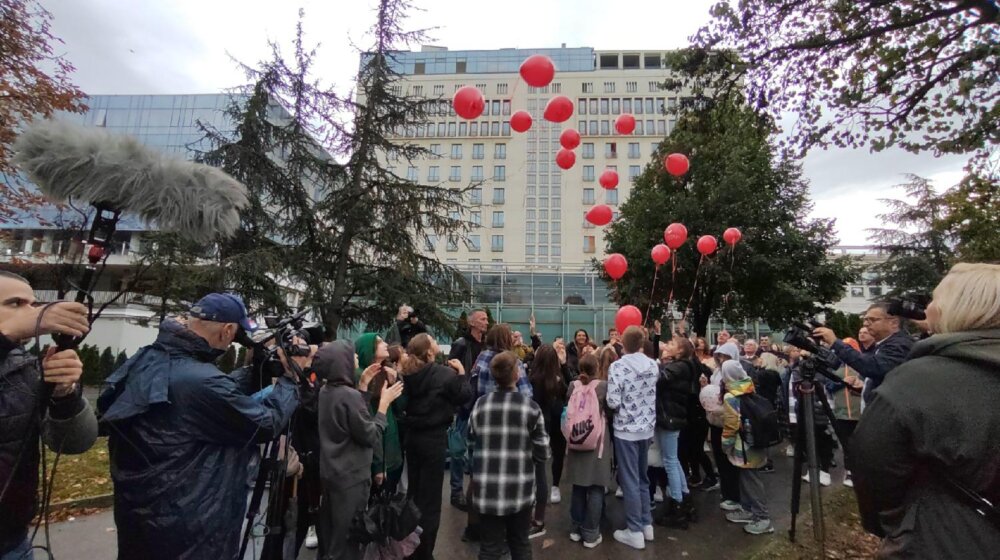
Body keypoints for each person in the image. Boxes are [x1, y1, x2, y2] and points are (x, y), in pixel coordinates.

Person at [98, 293, 303, 560]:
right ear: (228, 330)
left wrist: (257, 372)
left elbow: (207, 399)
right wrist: (290, 381)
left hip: (143, 518)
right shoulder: (200, 382)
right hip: (192, 526)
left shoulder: (151, 357)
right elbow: (264, 424)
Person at [851, 263, 1000, 558]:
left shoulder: (916, 381)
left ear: (954, 308)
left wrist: (899, 524)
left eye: (933, 300)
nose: (926, 308)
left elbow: (873, 466)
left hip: (943, 540)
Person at [0, 271, 98, 559]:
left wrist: (63, 395)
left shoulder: (27, 369)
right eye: (15, 304)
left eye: (33, 305)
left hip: (12, 541)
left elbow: (74, 443)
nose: (31, 313)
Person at [316, 340, 403, 560]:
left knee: (332, 534)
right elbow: (370, 435)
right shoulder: (348, 395)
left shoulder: (327, 391)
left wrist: (363, 387)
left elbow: (350, 420)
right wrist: (383, 405)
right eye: (351, 356)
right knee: (348, 539)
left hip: (332, 473)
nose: (355, 359)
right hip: (351, 479)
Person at [468, 351, 550, 560]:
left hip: (487, 489)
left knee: (489, 547)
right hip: (519, 489)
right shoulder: (530, 408)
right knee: (520, 543)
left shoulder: (480, 405)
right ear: (516, 375)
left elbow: (470, 442)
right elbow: (543, 450)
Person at [401, 333, 473, 560]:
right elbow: (464, 396)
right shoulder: (443, 374)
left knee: (413, 493)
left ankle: (409, 545)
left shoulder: (406, 374)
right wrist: (462, 373)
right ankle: (424, 551)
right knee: (430, 502)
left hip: (412, 439)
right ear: (430, 352)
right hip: (433, 440)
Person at [607, 326, 659, 550]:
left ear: (622, 343)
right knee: (642, 477)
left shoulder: (617, 366)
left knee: (629, 479)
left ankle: (635, 530)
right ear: (642, 343)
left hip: (626, 430)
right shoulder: (654, 365)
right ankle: (646, 524)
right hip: (647, 429)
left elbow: (612, 401)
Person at [812, 303, 914, 405]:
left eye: (872, 320)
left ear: (894, 323)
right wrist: (865, 387)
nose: (865, 324)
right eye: (865, 319)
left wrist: (835, 343)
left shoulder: (900, 345)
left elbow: (873, 367)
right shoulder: (881, 345)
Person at [719, 361, 774, 535]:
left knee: (751, 480)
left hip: (743, 445)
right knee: (747, 477)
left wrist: (725, 445)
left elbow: (731, 424)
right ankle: (748, 509)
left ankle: (762, 517)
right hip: (756, 440)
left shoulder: (730, 396)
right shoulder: (749, 386)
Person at [564, 353, 612, 549]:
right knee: (596, 486)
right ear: (597, 367)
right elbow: (611, 409)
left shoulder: (572, 386)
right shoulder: (603, 386)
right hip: (597, 442)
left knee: (578, 485)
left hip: (576, 439)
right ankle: (591, 533)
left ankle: (576, 528)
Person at [654, 336, 699, 528]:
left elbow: (660, 379)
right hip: (673, 416)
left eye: (671, 344)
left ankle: (677, 506)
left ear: (679, 352)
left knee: (670, 461)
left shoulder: (678, 367)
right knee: (673, 458)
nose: (667, 345)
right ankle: (684, 496)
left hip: (670, 417)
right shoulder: (683, 366)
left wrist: (655, 364)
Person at [447, 309, 489, 511]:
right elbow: (451, 369)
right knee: (458, 449)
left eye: (486, 319)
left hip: (481, 405)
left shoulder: (487, 345)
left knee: (477, 450)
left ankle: (474, 490)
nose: (486, 321)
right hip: (465, 405)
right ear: (472, 323)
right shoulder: (461, 344)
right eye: (482, 319)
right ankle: (456, 492)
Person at [355, 333, 405, 493]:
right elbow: (367, 422)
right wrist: (378, 465)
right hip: (377, 454)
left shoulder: (386, 372)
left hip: (392, 449)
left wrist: (396, 380)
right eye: (379, 342)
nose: (385, 344)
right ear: (367, 350)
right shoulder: (362, 378)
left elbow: (401, 406)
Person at [701, 341, 743, 512]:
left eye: (726, 356)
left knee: (730, 459)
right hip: (716, 420)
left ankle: (734, 496)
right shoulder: (717, 371)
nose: (721, 359)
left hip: (729, 420)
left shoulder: (735, 372)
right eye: (719, 355)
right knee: (719, 456)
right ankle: (727, 491)